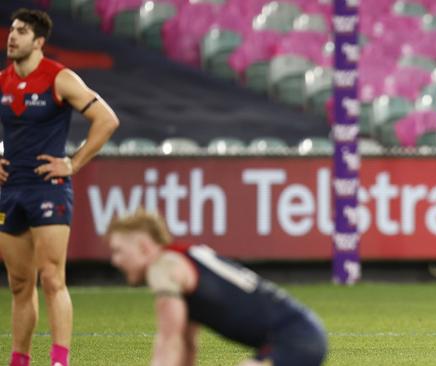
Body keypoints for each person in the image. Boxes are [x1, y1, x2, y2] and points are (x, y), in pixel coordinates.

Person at [0, 8, 119, 366]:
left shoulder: (59, 77)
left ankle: (59, 361)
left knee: (52, 277)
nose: (12, 36)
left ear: (39, 42)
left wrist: (73, 163)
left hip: (47, 189)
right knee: (20, 284)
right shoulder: (2, 81)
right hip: (10, 190)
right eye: (12, 30)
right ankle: (20, 360)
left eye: (21, 32)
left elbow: (106, 119)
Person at [106, 210, 328, 366]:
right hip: (300, 335)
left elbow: (168, 342)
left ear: (144, 247)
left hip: (293, 339)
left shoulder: (162, 267)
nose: (115, 261)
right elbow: (187, 345)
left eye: (118, 251)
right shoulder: (180, 263)